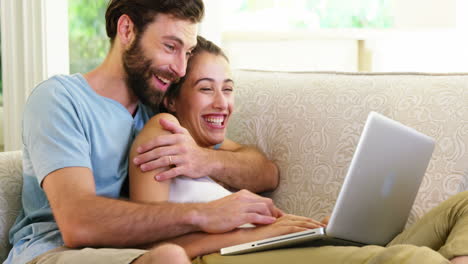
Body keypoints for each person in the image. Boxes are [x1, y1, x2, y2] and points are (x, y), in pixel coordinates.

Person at [128, 37, 468, 264]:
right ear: (171, 99)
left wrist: (309, 230)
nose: (222, 103)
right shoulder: (163, 131)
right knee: (413, 259)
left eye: (228, 89)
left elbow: (264, 169)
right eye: (205, 89)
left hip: (278, 244)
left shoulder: (209, 147)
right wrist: (262, 233)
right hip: (228, 257)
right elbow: (153, 248)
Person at [5, 1, 281, 263]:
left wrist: (204, 159)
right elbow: (79, 224)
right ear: (127, 30)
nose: (180, 69)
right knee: (170, 257)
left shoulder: (159, 113)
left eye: (186, 52)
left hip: (128, 253)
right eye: (170, 46)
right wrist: (205, 215)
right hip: (50, 253)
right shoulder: (60, 99)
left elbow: (265, 172)